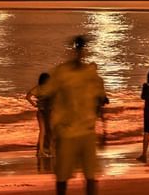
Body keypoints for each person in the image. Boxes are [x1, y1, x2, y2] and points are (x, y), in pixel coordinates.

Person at [35, 35, 108, 195]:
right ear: (74, 50)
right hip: (66, 132)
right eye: (78, 48)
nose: (80, 52)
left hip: (87, 131)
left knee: (90, 176)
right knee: (62, 177)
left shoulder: (90, 74)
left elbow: (99, 101)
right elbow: (46, 96)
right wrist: (50, 127)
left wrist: (104, 129)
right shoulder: (62, 73)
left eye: (82, 49)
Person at [27, 72, 54, 159]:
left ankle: (41, 151)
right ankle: (50, 150)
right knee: (50, 131)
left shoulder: (38, 88)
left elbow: (28, 96)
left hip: (41, 111)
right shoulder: (51, 88)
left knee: (42, 131)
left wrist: (34, 104)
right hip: (49, 111)